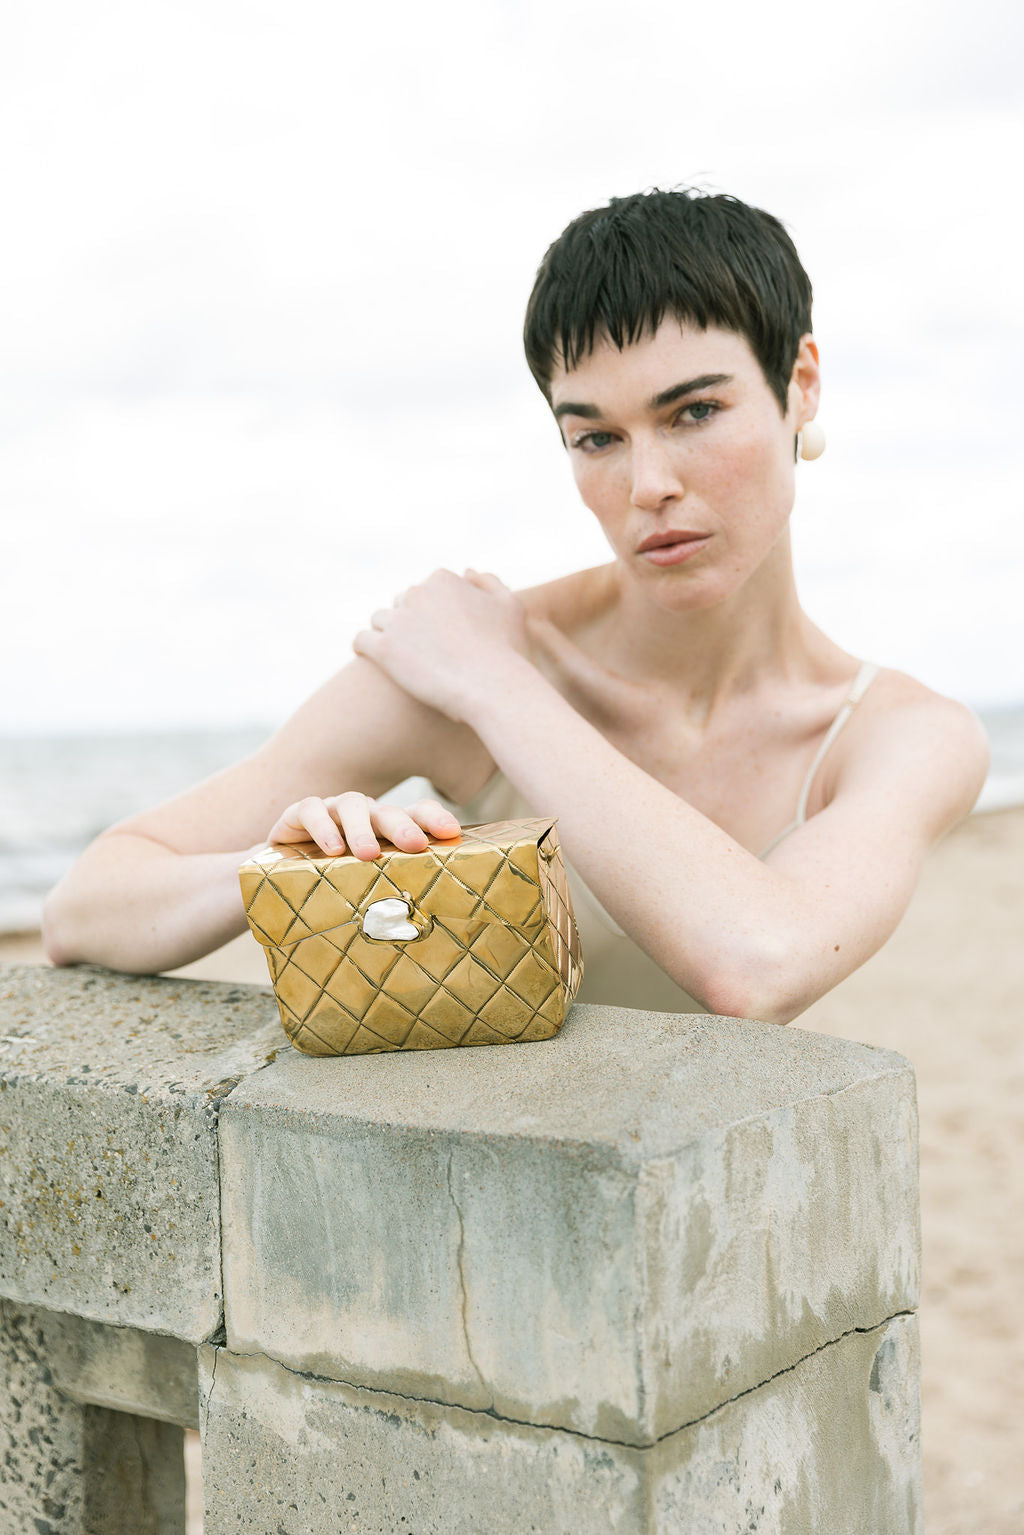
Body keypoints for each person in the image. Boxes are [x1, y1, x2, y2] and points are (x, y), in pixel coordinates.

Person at [42, 187, 989, 1025]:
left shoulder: (901, 736)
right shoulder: (450, 667)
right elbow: (86, 904)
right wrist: (288, 871)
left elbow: (760, 962)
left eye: (694, 412)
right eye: (596, 437)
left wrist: (501, 688)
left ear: (800, 386)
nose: (649, 482)